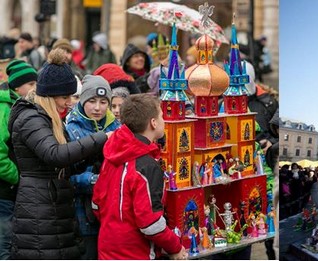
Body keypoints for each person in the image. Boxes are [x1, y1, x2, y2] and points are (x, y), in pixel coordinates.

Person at [9, 49, 111, 259]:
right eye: (64, 97)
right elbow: (56, 155)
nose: (69, 102)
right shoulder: (31, 118)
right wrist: (102, 138)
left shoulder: (48, 118)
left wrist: (91, 156)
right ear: (48, 95)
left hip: (52, 206)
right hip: (39, 209)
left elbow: (64, 166)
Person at [92, 94, 187, 260]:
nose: (164, 120)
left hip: (108, 249)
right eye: (162, 116)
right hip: (135, 253)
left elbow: (96, 205)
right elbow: (150, 224)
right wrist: (175, 247)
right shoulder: (147, 166)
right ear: (153, 122)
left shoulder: (111, 155)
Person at [66, 75, 121, 259]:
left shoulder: (116, 125)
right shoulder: (71, 128)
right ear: (82, 101)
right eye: (92, 101)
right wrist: (95, 179)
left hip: (112, 214)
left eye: (103, 101)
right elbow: (67, 175)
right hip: (84, 214)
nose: (98, 108)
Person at [0, 59, 37, 259]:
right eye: (31, 84)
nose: (35, 88)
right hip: (5, 190)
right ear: (16, 86)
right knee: (4, 245)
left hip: (15, 190)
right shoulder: (4, 108)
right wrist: (18, 178)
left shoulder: (22, 105)